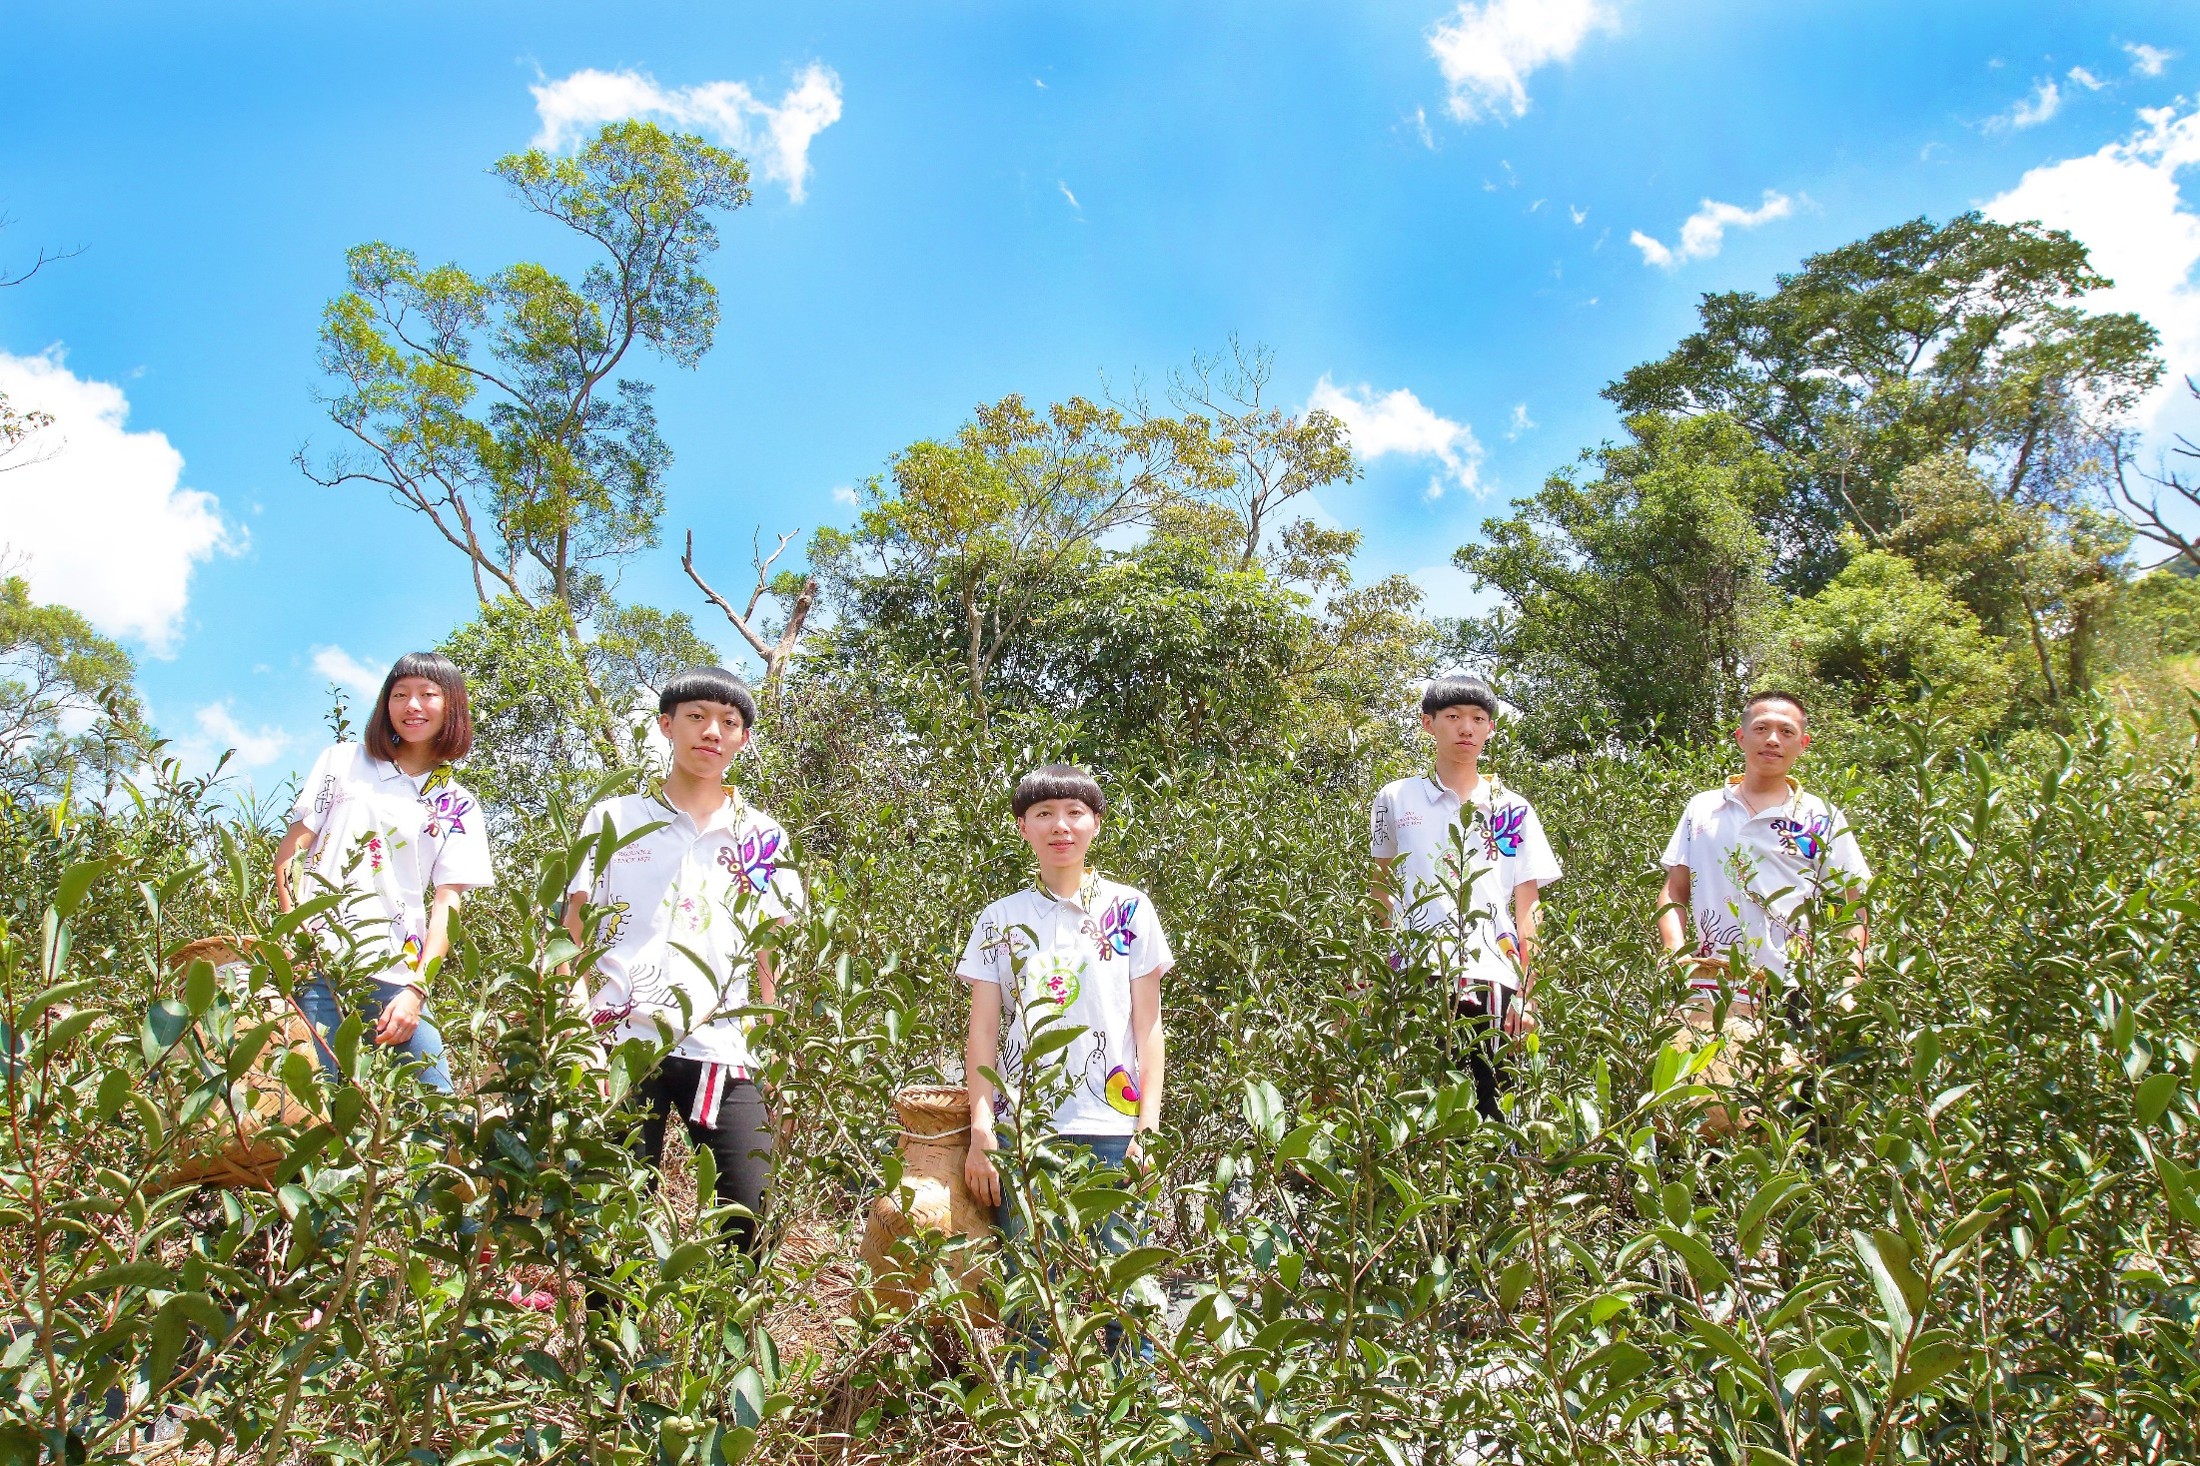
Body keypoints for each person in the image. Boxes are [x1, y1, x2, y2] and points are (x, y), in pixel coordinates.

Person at [563, 667, 800, 1257]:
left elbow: (767, 946)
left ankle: (728, 1348)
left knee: (750, 1217)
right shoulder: (615, 819)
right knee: (610, 1222)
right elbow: (571, 935)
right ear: (667, 726)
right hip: (618, 1042)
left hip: (724, 1046)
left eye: (729, 722)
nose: (711, 733)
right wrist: (576, 1038)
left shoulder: (761, 835)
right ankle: (609, 1350)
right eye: (696, 717)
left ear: (743, 738)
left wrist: (772, 1046)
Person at [960, 764, 1172, 1359]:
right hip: (1025, 1130)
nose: (1061, 826)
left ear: (1096, 825)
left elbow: (1148, 1026)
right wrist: (982, 1132)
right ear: (1023, 826)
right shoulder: (1000, 919)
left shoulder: (1130, 910)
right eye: (1044, 814)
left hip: (1113, 1126)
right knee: (1031, 1294)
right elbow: (982, 1033)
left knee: (1128, 1293)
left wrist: (1146, 1128)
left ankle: (1137, 1427)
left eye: (1075, 813)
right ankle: (1038, 1423)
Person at [274, 652, 492, 1094]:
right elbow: (291, 853)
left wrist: (418, 990)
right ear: (385, 705)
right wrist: (295, 941)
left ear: (452, 705)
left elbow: (447, 905)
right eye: (400, 694)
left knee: (435, 1108)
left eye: (427, 694)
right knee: (314, 1105)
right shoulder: (342, 762)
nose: (412, 705)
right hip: (319, 961)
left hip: (399, 975)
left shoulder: (459, 804)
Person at [1656, 689, 1870, 1099]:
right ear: (1741, 737)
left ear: (1802, 744)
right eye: (1762, 728)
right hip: (1708, 982)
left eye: (1786, 731)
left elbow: (1853, 907)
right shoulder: (1702, 809)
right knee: (1700, 1108)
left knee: (1788, 1114)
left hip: (1793, 986)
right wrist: (1676, 957)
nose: (1773, 739)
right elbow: (1673, 892)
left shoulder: (1818, 818)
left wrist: (1848, 979)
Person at [1370, 675, 1562, 1121]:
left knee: (1492, 1111)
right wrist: (1376, 971)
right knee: (1412, 1112)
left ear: (1491, 729)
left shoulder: (1511, 809)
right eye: (1453, 717)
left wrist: (1528, 991)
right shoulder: (1395, 798)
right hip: (1414, 974)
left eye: (1478, 719)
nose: (1466, 729)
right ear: (1427, 724)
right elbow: (1381, 889)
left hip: (1494, 975)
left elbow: (1526, 905)